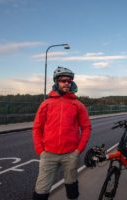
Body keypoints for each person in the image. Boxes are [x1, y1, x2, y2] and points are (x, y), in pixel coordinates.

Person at [32, 66, 92, 200]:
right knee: (41, 190)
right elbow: (37, 128)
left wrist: (78, 151)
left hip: (70, 154)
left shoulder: (78, 105)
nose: (66, 83)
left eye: (69, 81)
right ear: (56, 82)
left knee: (72, 187)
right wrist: (40, 150)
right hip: (48, 154)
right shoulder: (46, 104)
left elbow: (87, 128)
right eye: (63, 80)